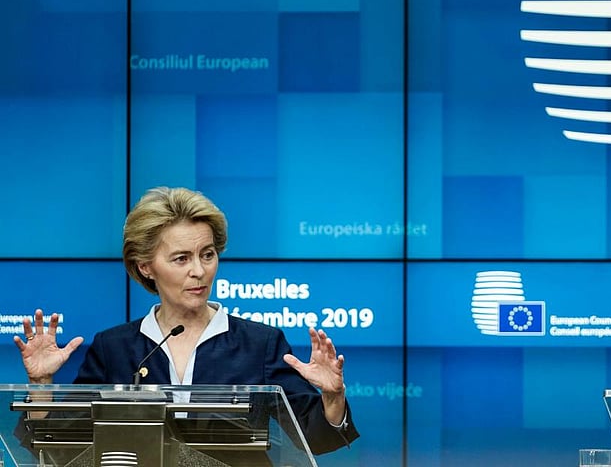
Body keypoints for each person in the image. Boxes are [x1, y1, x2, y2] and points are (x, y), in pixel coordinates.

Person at [13, 186, 359, 455]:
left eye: (207, 255)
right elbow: (56, 442)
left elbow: (314, 439)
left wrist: (332, 397)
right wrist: (41, 385)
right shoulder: (114, 347)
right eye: (181, 258)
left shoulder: (260, 344)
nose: (199, 271)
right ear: (145, 266)